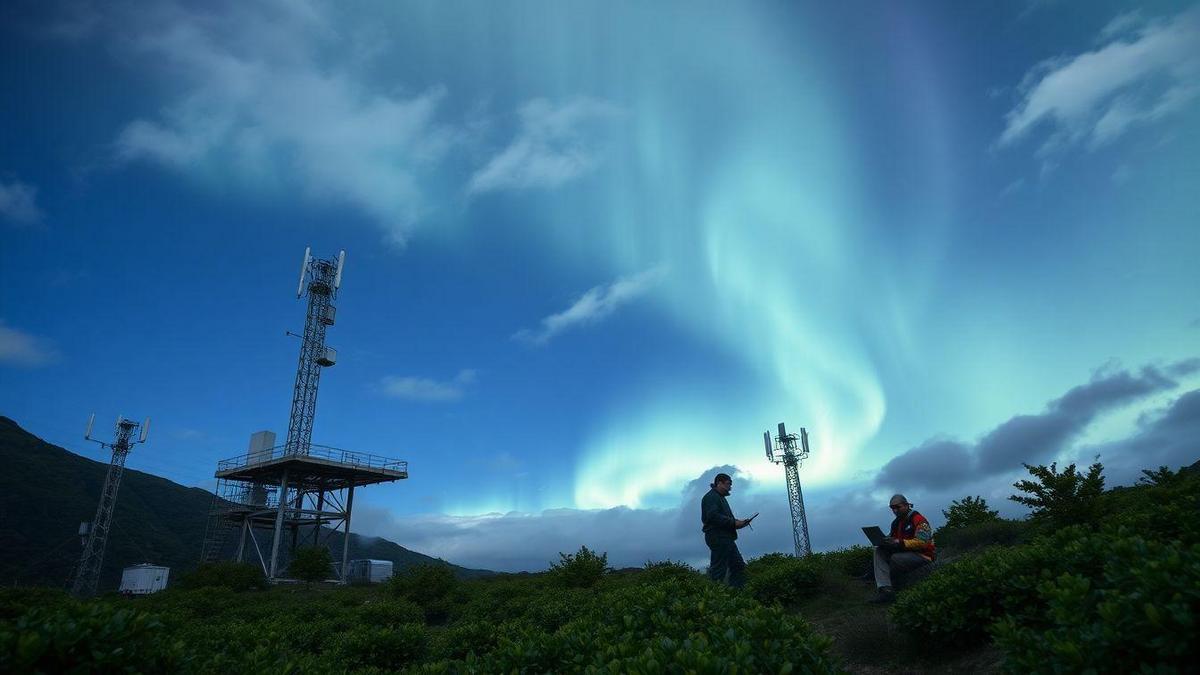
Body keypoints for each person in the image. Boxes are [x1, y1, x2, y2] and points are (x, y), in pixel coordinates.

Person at [868, 493, 936, 604]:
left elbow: (922, 542)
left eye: (897, 507)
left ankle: (898, 585)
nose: (895, 510)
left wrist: (900, 542)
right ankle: (885, 590)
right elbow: (893, 538)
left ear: (906, 505)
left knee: (896, 558)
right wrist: (886, 541)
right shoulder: (896, 523)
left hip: (923, 556)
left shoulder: (919, 519)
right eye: (892, 508)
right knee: (878, 550)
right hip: (905, 553)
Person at [701, 472, 753, 588]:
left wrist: (738, 523)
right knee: (719, 569)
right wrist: (734, 523)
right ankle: (714, 597)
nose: (730, 487)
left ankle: (735, 596)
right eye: (728, 484)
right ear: (719, 483)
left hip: (725, 538)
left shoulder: (718, 497)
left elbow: (720, 518)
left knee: (737, 566)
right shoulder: (712, 497)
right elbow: (713, 517)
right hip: (718, 537)